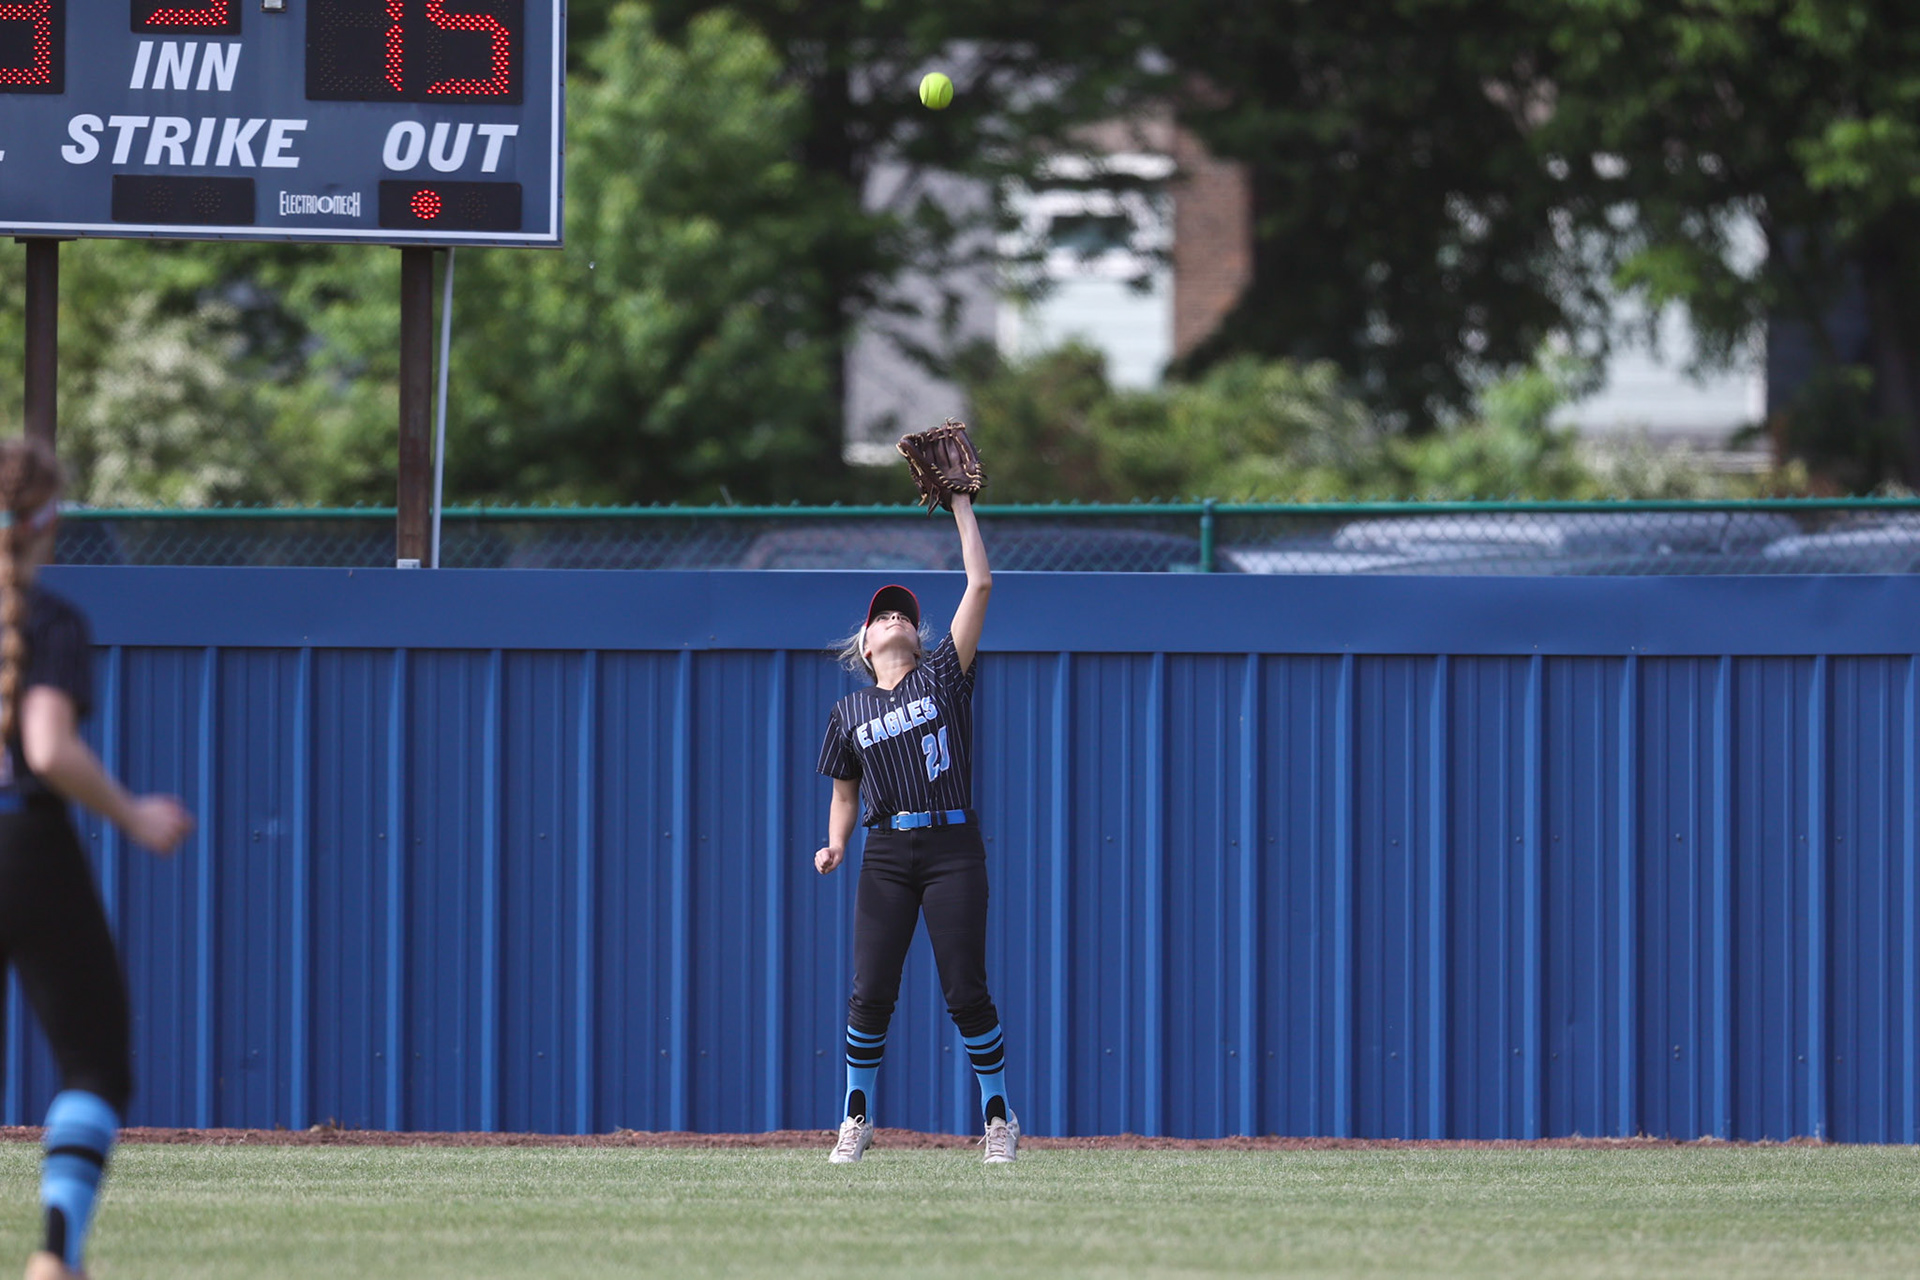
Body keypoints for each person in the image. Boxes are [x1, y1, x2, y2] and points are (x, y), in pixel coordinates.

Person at [0, 440, 194, 1280]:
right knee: (93, 1064)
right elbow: (46, 748)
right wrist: (136, 814)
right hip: (24, 844)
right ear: (50, 521)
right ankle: (54, 1255)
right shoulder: (51, 621)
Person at [813, 492, 1016, 1163]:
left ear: (918, 636)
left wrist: (959, 505)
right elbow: (846, 791)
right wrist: (838, 840)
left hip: (954, 847)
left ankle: (998, 1119)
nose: (893, 618)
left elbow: (980, 582)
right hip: (887, 851)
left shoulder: (944, 677)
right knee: (871, 988)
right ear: (865, 644)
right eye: (881, 616)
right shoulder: (850, 710)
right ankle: (856, 1117)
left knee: (965, 988)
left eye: (903, 612)